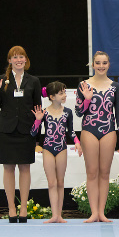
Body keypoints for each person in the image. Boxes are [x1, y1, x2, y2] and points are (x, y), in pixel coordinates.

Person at [0, 46, 41, 223]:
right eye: (15, 57)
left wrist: (37, 137)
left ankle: (24, 208)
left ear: (26, 60)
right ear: (10, 61)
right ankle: (11, 207)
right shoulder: (2, 80)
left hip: (26, 131)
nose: (19, 60)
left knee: (25, 167)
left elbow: (38, 111)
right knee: (8, 168)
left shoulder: (33, 81)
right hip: (6, 130)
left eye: (21, 57)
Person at [75, 51, 119, 223]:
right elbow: (79, 112)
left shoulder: (116, 87)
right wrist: (87, 99)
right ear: (93, 64)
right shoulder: (84, 85)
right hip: (89, 129)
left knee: (104, 173)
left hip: (109, 131)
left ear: (109, 65)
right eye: (98, 63)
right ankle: (93, 212)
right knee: (92, 172)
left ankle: (101, 212)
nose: (101, 66)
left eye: (104, 63)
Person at [31, 81, 82, 223]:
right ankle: (54, 215)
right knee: (52, 183)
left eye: (65, 92)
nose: (65, 95)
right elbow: (33, 133)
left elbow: (71, 131)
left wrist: (77, 143)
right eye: (61, 93)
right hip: (47, 148)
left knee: (60, 182)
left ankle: (59, 215)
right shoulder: (44, 112)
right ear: (52, 97)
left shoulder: (68, 112)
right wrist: (37, 120)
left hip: (61, 148)